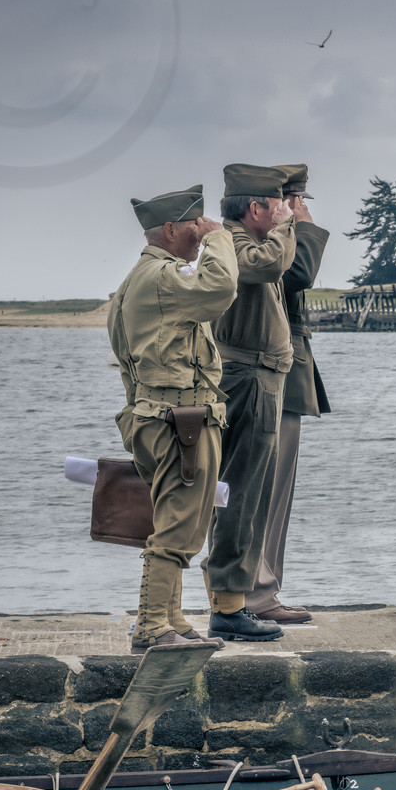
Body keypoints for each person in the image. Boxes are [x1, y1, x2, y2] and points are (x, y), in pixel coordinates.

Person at [105, 184, 236, 652]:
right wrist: (221, 237)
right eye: (193, 227)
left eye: (204, 227)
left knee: (171, 520)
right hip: (179, 420)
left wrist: (138, 412)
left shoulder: (132, 283)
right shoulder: (162, 278)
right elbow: (220, 287)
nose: (199, 236)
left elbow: (125, 360)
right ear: (169, 229)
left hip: (153, 416)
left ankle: (173, 619)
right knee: (178, 527)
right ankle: (151, 627)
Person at [203, 163, 297, 642]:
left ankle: (233, 600)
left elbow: (290, 269)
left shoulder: (250, 241)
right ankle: (227, 603)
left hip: (262, 375)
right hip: (248, 378)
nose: (285, 211)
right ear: (256, 208)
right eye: (278, 203)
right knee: (240, 493)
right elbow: (270, 265)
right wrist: (285, 226)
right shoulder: (236, 244)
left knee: (252, 494)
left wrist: (287, 224)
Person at [246, 163, 332, 624]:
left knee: (273, 494)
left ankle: (261, 589)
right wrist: (302, 227)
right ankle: (255, 593)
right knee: (265, 491)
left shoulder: (262, 243)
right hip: (270, 377)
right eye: (295, 201)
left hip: (279, 374)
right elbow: (299, 274)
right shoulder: (261, 246)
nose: (300, 210)